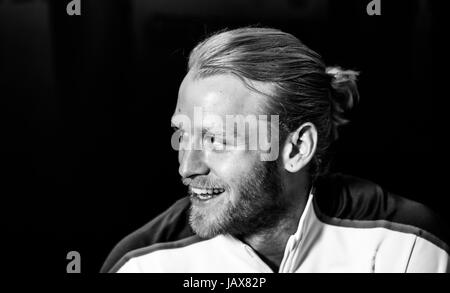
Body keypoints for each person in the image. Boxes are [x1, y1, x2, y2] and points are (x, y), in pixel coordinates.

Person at [103, 27, 449, 273]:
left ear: (296, 148)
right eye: (183, 134)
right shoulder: (142, 264)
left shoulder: (404, 243)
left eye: (217, 140)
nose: (187, 167)